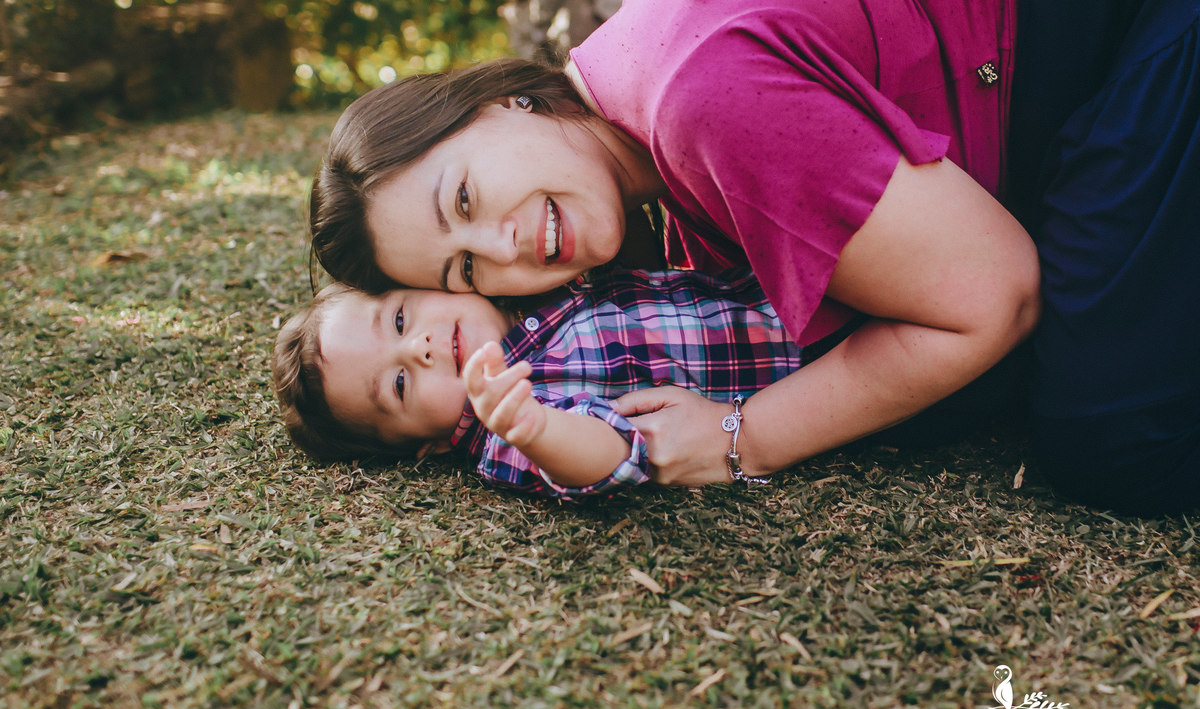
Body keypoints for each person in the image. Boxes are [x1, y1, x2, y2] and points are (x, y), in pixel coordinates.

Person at [309, 0, 1200, 514]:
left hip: (1118, 41)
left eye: (463, 199)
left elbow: (994, 294)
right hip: (1044, 111)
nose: (503, 248)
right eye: (464, 272)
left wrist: (742, 437)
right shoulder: (632, 162)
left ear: (500, 103)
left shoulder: (700, 106)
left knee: (1115, 439)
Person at [273, 267, 815, 498]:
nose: (420, 347)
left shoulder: (527, 285)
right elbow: (611, 454)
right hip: (813, 370)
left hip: (789, 289)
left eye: (398, 321)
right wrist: (535, 428)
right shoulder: (504, 430)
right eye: (398, 384)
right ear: (430, 445)